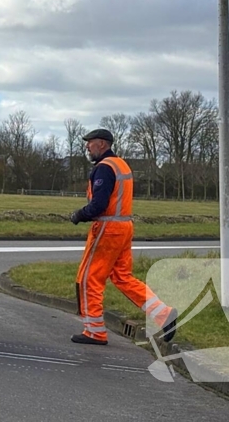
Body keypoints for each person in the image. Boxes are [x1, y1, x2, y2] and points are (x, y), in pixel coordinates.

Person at [68, 128, 178, 345]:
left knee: (89, 278)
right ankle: (163, 314)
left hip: (107, 229)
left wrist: (79, 215)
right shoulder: (122, 165)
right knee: (122, 277)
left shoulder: (104, 168)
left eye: (89, 143)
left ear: (101, 143)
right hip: (124, 227)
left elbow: (99, 205)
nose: (87, 147)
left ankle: (94, 331)